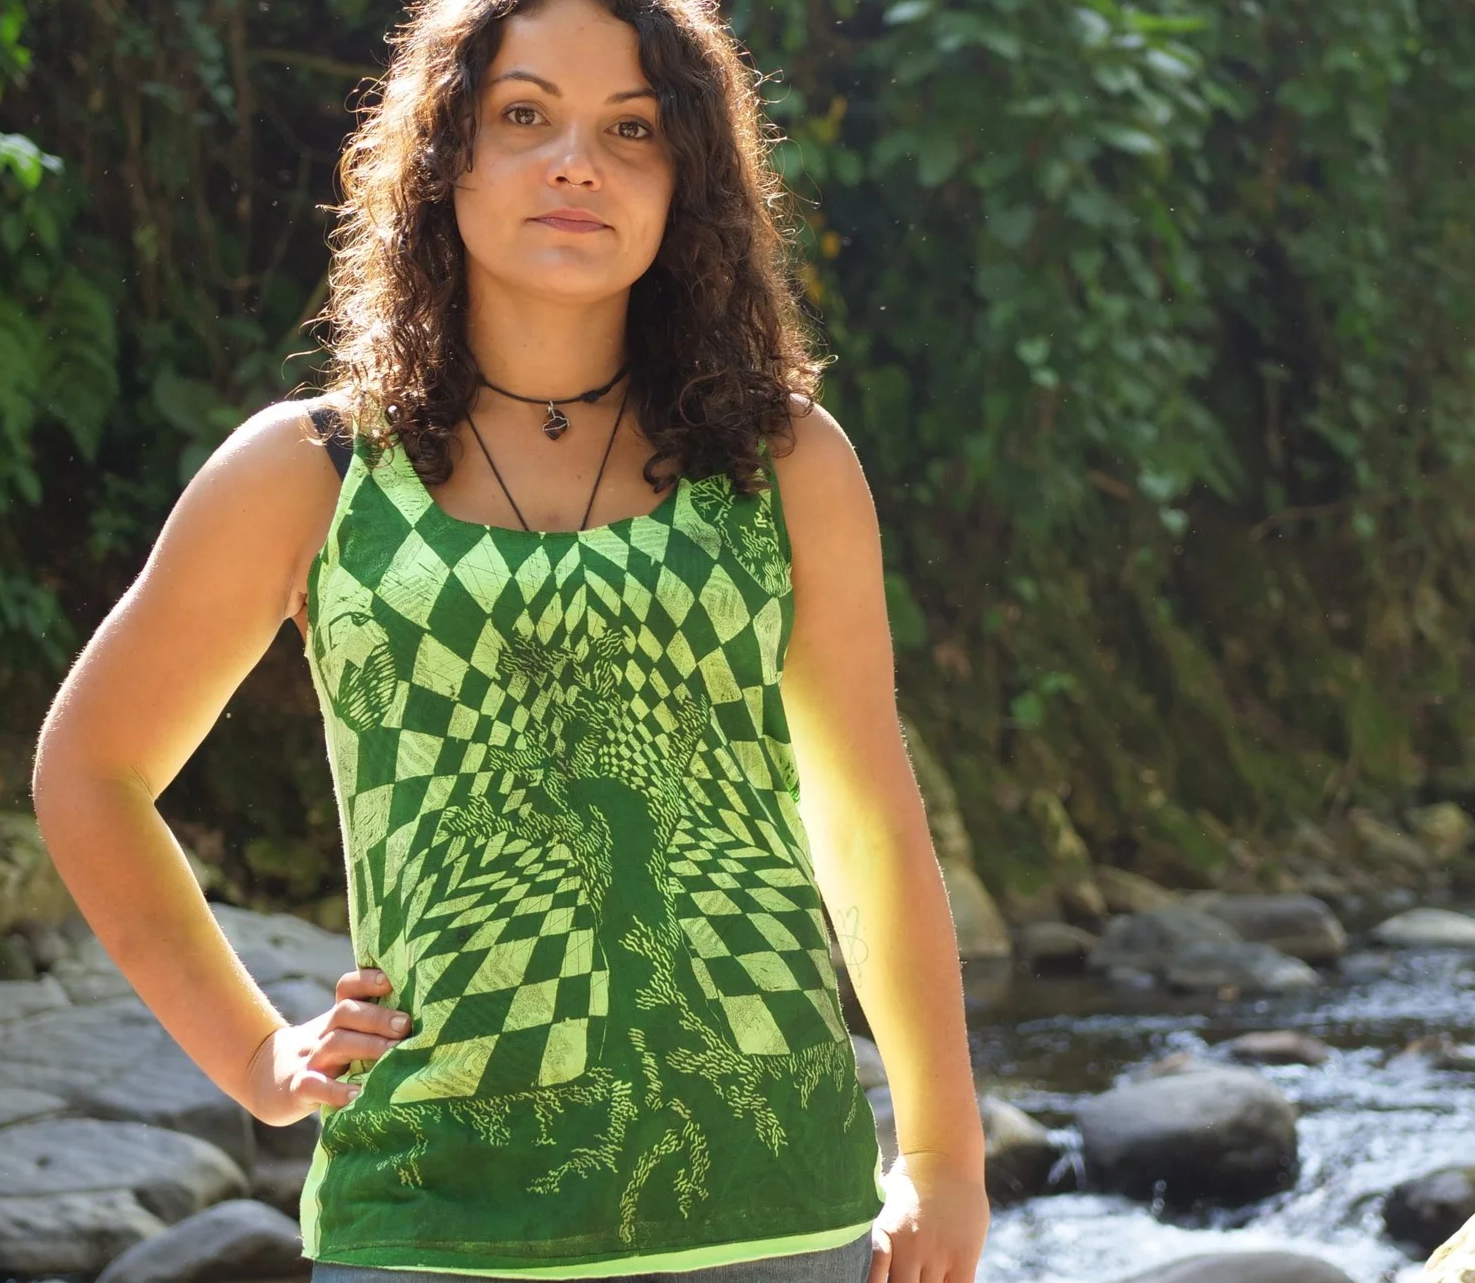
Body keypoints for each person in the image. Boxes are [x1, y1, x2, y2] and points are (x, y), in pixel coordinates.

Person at [28, 1, 990, 1281]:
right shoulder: (309, 470)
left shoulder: (784, 462)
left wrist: (939, 1157)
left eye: (631, 128)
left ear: (685, 179)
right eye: (523, 116)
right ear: (443, 158)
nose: (575, 162)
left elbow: (866, 815)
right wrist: (256, 1057)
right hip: (430, 1221)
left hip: (776, 1210)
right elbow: (90, 771)